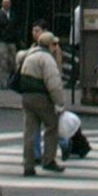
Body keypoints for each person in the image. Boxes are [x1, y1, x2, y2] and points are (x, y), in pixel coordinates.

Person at [18, 30, 66, 176]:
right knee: (52, 125)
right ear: (50, 45)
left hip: (26, 96)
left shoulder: (29, 55)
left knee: (30, 131)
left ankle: (28, 164)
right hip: (41, 97)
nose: (56, 47)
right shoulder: (47, 59)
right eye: (55, 44)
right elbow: (53, 84)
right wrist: (60, 103)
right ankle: (49, 160)